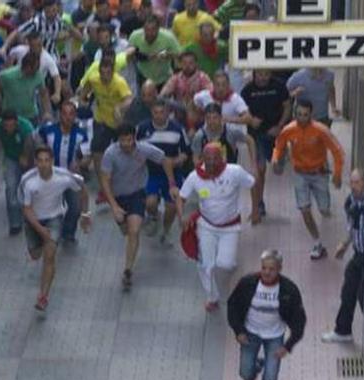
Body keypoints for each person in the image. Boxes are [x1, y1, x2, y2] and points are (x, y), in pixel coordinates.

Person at [227, 249, 307, 380]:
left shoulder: (289, 290)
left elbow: (299, 320)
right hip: (250, 334)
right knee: (245, 374)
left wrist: (288, 345)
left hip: (275, 338)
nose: (267, 272)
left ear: (279, 268)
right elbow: (232, 305)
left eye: (271, 269)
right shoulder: (248, 283)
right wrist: (238, 331)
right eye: (264, 268)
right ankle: (256, 365)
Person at [176, 142, 256, 311]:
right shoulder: (194, 177)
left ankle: (223, 280)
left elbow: (252, 184)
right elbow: (181, 198)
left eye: (215, 158)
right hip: (206, 226)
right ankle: (212, 297)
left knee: (226, 264)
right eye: (208, 158)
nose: (212, 162)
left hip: (230, 227)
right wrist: (182, 215)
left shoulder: (234, 172)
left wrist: (256, 209)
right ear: (202, 158)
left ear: (222, 158)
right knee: (207, 265)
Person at [18, 146, 91, 311]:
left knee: (49, 256)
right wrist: (39, 229)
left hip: (54, 218)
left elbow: (83, 190)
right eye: (40, 161)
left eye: (47, 160)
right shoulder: (27, 181)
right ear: (35, 163)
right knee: (36, 254)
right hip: (33, 220)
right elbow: (26, 209)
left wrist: (85, 215)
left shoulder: (64, 177)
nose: (44, 164)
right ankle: (41, 246)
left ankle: (43, 296)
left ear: (52, 161)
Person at [271, 99, 345, 260]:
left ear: (311, 114)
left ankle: (327, 224)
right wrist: (276, 159)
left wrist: (337, 174)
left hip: (319, 173)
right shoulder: (289, 130)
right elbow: (279, 145)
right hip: (299, 174)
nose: (301, 118)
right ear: (295, 114)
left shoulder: (321, 130)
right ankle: (317, 243)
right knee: (305, 210)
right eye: (298, 114)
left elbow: (337, 151)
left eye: (305, 115)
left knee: (324, 209)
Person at [100, 123, 169, 289]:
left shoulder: (144, 149)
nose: (125, 144)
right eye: (122, 140)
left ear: (134, 139)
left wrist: (172, 182)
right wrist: (114, 206)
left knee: (134, 231)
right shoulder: (110, 154)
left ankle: (128, 270)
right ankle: (136, 220)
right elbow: (105, 180)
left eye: (128, 140)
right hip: (118, 196)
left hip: (137, 193)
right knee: (125, 230)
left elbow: (164, 159)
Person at [322, 169, 364, 343]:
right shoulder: (351, 202)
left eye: (357, 182)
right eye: (352, 182)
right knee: (348, 291)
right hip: (358, 254)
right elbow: (353, 227)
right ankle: (343, 331)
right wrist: (345, 243)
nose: (353, 186)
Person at [191, 103, 259, 223]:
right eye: (208, 118)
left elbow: (250, 140)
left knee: (253, 180)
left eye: (215, 118)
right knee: (205, 199)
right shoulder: (200, 136)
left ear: (221, 118)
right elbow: (195, 158)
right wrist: (202, 166)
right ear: (205, 119)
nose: (212, 122)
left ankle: (255, 211)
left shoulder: (230, 131)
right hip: (208, 174)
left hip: (229, 173)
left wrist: (253, 164)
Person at [36, 100, 92, 241]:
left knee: (75, 207)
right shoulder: (47, 131)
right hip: (50, 176)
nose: (68, 117)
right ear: (60, 115)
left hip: (69, 177)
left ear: (75, 116)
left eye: (71, 114)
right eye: (65, 114)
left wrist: (79, 163)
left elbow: (86, 157)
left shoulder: (81, 135)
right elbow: (35, 143)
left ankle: (68, 233)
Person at [79, 58, 133, 203]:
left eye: (108, 73)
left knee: (123, 151)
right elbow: (85, 91)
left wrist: (119, 107)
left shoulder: (119, 82)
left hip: (117, 121)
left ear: (113, 72)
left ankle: (124, 184)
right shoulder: (94, 79)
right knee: (97, 152)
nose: (105, 76)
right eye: (102, 73)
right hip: (101, 119)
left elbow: (129, 99)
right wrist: (83, 99)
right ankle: (104, 188)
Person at [136, 100, 190, 243]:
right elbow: (135, 149)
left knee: (171, 207)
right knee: (150, 203)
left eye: (162, 112)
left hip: (173, 173)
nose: (159, 116)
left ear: (168, 113)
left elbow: (185, 153)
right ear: (151, 113)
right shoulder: (142, 128)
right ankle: (154, 216)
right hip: (151, 172)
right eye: (156, 113)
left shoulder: (178, 129)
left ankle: (166, 229)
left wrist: (175, 161)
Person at [240, 69, 291, 218]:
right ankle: (259, 204)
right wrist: (250, 119)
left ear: (271, 74)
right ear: (254, 74)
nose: (263, 78)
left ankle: (281, 158)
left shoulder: (279, 86)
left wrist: (280, 126)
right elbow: (242, 111)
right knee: (259, 170)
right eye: (260, 74)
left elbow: (287, 106)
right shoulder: (247, 90)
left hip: (276, 133)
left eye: (266, 74)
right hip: (256, 135)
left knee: (277, 167)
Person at [0, 110, 35, 235]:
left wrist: (25, 156)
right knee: (10, 187)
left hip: (29, 156)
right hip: (10, 158)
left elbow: (30, 142)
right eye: (6, 126)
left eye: (11, 125)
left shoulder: (26, 127)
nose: (9, 128)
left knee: (30, 187)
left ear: (16, 122)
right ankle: (15, 223)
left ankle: (32, 215)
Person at [0, 0, 81, 62]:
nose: (54, 13)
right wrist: (4, 47)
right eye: (52, 11)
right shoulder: (36, 22)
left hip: (52, 55)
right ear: (45, 10)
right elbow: (16, 32)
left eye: (55, 10)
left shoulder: (59, 21)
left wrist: (83, 39)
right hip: (36, 56)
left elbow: (71, 30)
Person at [0, 52, 51, 123]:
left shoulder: (38, 76)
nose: (35, 72)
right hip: (11, 116)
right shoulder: (7, 76)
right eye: (34, 69)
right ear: (27, 67)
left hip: (30, 115)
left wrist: (47, 111)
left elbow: (43, 94)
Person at [160, 51, 211, 134]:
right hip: (180, 116)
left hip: (199, 118)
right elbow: (163, 95)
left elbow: (211, 95)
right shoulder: (175, 78)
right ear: (180, 64)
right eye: (184, 63)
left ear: (196, 64)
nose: (187, 66)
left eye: (191, 63)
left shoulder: (203, 78)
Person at [7, 31, 63, 104]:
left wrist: (57, 93)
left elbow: (56, 77)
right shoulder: (19, 50)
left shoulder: (48, 59)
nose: (37, 48)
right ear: (29, 44)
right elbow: (10, 58)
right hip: (18, 84)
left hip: (36, 90)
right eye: (34, 45)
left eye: (39, 45)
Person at [126, 15, 181, 88]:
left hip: (164, 78)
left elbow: (179, 54)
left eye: (153, 30)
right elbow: (129, 56)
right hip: (143, 76)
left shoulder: (168, 37)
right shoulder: (135, 36)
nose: (149, 33)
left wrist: (165, 54)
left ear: (158, 29)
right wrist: (145, 57)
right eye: (147, 29)